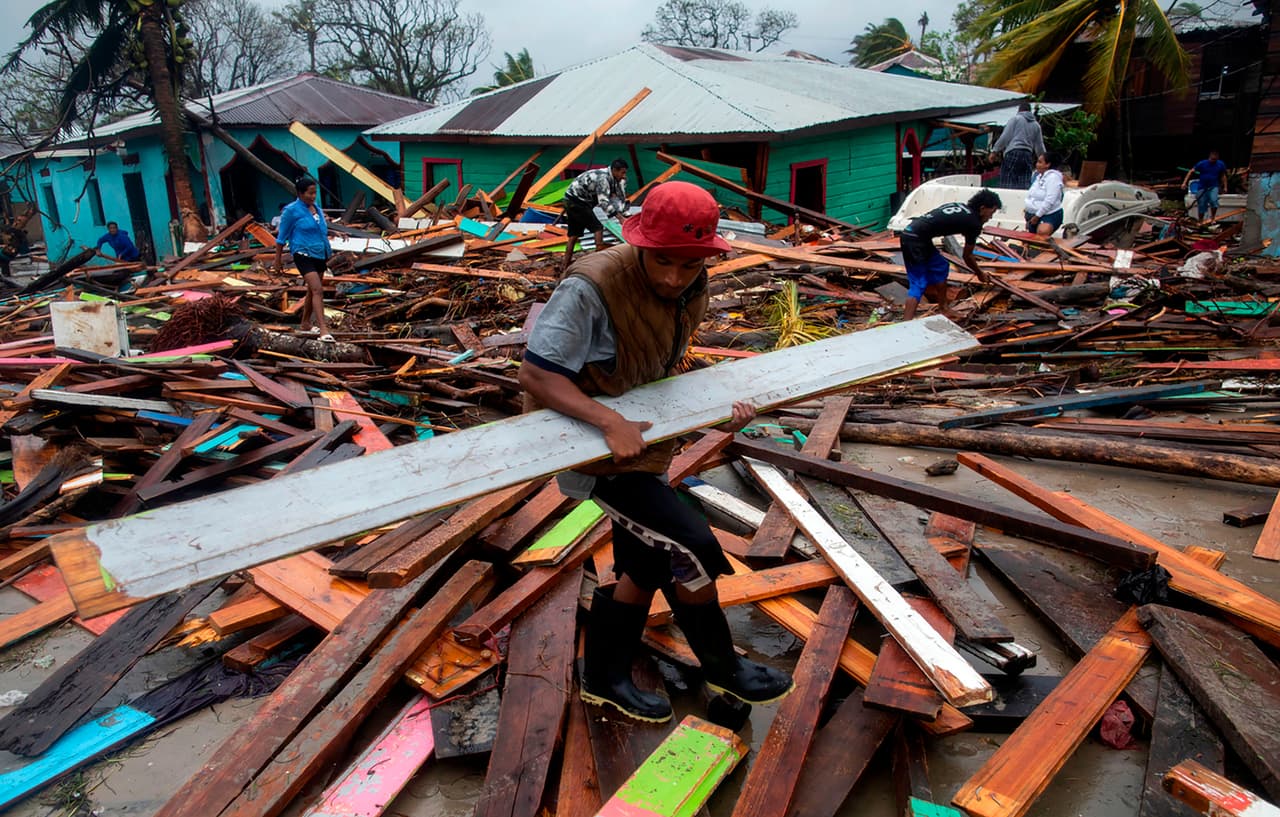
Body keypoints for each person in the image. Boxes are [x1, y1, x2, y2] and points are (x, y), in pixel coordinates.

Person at [520, 181, 791, 723]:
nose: (673, 277)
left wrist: (717, 401)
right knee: (690, 545)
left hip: (642, 437)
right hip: (588, 447)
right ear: (640, 243)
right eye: (662, 261)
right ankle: (721, 666)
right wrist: (606, 420)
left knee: (642, 566)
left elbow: (662, 359)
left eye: (689, 265)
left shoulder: (693, 282)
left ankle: (603, 677)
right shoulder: (591, 287)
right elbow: (536, 375)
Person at [898, 189, 1003, 321]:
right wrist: (980, 273)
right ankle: (906, 324)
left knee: (941, 266)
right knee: (919, 283)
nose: (990, 217)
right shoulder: (974, 223)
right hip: (915, 240)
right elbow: (967, 256)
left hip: (915, 234)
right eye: (991, 213)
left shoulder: (961, 207)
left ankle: (944, 308)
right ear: (982, 208)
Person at [275, 176, 335, 342]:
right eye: (310, 193)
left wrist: (334, 233)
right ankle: (323, 329)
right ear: (300, 193)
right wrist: (277, 260)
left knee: (312, 290)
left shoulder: (317, 209)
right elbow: (281, 237)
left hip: (320, 253)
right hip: (302, 253)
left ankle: (305, 323)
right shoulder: (291, 211)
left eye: (315, 193)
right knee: (317, 290)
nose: (313, 196)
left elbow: (319, 229)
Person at [560, 158, 629, 275]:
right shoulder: (603, 179)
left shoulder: (614, 179)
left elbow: (619, 197)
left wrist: (625, 214)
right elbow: (604, 202)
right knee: (598, 228)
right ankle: (599, 260)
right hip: (576, 202)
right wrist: (620, 218)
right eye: (622, 172)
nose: (624, 176)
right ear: (615, 170)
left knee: (574, 235)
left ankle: (564, 266)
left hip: (573, 200)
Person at [990, 102, 1046, 189]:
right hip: (1027, 155)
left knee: (1006, 182)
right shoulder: (1036, 125)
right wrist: (1044, 160)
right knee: (1024, 184)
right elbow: (1039, 145)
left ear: (1019, 110)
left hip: (1013, 152)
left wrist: (994, 151)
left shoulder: (1015, 119)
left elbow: (1005, 137)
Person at [1024, 152, 1065, 237]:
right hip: (1032, 214)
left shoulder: (1054, 178)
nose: (1036, 164)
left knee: (1042, 232)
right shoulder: (1038, 177)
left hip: (1049, 214)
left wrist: (1037, 216)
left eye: (1039, 162)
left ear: (1048, 165)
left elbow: (1050, 200)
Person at [1183, 149, 1229, 223]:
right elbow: (1191, 172)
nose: (1213, 161)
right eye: (1212, 159)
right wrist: (1184, 183)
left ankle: (1213, 218)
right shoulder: (1202, 163)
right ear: (1209, 157)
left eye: (1215, 159)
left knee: (1214, 201)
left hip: (1213, 186)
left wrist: (1225, 187)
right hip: (1202, 186)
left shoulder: (1220, 164)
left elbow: (1223, 175)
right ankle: (1200, 220)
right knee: (1202, 204)